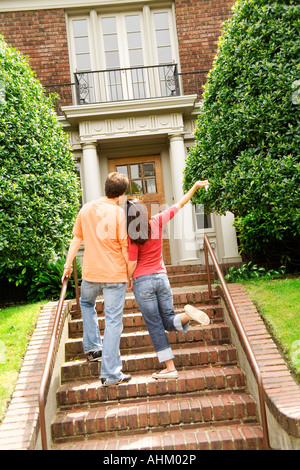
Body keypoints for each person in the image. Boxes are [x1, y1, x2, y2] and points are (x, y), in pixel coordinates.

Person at [125, 180, 210, 379]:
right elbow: (179, 204)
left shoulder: (133, 234)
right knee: (168, 321)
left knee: (155, 326)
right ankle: (188, 316)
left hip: (143, 282)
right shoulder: (157, 220)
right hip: (162, 279)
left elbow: (131, 263)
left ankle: (170, 368)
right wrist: (195, 187)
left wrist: (128, 278)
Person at [61, 172, 132, 387]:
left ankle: (93, 348)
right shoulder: (119, 213)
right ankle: (111, 374)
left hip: (91, 274)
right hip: (114, 274)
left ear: (105, 187)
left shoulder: (87, 208)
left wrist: (67, 265)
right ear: (121, 194)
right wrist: (130, 274)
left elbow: (76, 239)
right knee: (112, 322)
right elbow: (124, 247)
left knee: (86, 303)